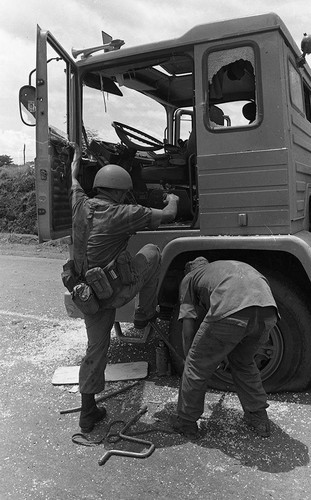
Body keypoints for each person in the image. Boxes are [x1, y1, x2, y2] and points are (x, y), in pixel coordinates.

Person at [69, 143, 179, 433]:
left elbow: (73, 179)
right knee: (153, 251)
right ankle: (144, 312)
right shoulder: (124, 213)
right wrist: (173, 197)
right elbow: (167, 215)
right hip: (113, 291)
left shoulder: (80, 204)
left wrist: (77, 158)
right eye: (125, 192)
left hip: (86, 294)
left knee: (96, 349)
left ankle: (88, 411)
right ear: (119, 192)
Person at [172, 257, 279, 440]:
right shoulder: (221, 269)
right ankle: (258, 417)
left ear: (189, 270)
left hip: (232, 308)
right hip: (268, 313)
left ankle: (186, 422)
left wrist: (189, 357)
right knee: (244, 362)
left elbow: (188, 327)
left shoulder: (190, 278)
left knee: (196, 365)